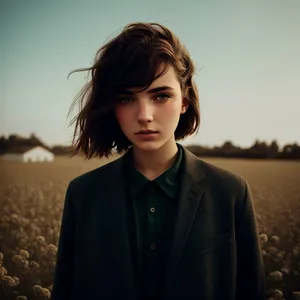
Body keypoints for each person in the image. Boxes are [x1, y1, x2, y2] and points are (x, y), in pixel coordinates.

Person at [51, 22, 265, 300]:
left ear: (185, 100)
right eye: (127, 98)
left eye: (161, 95)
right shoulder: (82, 194)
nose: (144, 115)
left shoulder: (231, 192)